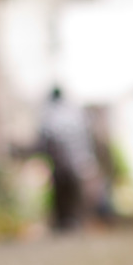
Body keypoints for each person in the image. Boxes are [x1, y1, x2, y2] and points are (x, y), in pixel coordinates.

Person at [37, 88, 103, 230]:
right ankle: (76, 224)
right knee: (76, 198)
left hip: (61, 164)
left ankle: (64, 225)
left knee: (62, 197)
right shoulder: (75, 114)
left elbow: (45, 142)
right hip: (81, 162)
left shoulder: (49, 115)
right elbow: (89, 137)